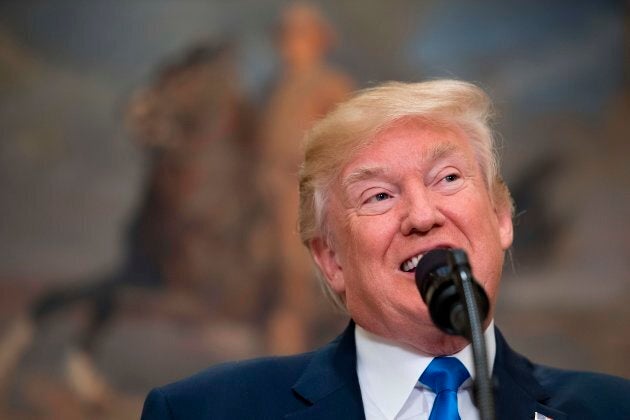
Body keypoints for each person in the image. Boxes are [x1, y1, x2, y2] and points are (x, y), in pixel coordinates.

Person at [140, 80, 630, 419]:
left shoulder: (613, 410)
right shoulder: (204, 412)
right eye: (378, 196)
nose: (422, 215)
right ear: (331, 260)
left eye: (448, 178)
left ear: (501, 217)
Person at [259, 1, 353, 355]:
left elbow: (347, 139)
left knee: (294, 278)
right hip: (264, 190)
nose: (291, 45)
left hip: (304, 190)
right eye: (286, 38)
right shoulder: (274, 87)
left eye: (300, 37)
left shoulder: (331, 85)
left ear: (318, 42)